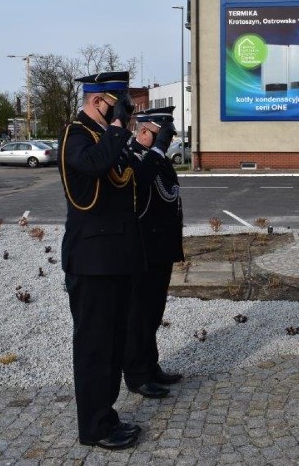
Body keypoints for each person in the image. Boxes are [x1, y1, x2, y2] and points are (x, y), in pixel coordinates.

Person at [57, 71, 141, 450]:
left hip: (114, 257)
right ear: (97, 101)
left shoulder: (103, 136)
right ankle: (93, 427)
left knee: (112, 341)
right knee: (93, 346)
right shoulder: (76, 135)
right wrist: (119, 127)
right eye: (116, 103)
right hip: (91, 260)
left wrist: (126, 131)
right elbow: (93, 165)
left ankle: (105, 413)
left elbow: (124, 172)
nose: (120, 110)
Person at [123, 107, 184, 399]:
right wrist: (156, 153)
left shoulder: (156, 160)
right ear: (145, 132)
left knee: (154, 312)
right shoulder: (133, 158)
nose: (168, 141)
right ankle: (136, 375)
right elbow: (137, 188)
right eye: (164, 135)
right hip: (143, 250)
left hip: (161, 250)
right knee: (139, 315)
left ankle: (151, 365)